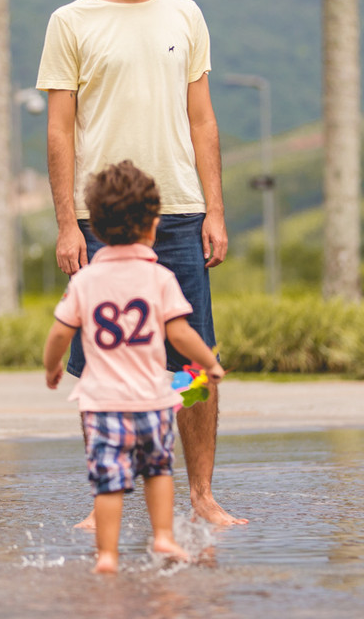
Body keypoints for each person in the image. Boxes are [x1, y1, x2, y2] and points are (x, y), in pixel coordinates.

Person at [36, 0, 244, 527]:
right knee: (104, 362)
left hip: (178, 212)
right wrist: (67, 223)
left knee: (193, 363)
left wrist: (215, 210)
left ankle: (201, 496)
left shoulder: (186, 15)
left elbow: (202, 120)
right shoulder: (71, 22)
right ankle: (109, 500)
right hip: (101, 220)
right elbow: (59, 131)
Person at [43, 161, 225, 574]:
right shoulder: (159, 278)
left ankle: (107, 555)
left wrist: (51, 367)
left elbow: (59, 333)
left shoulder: (85, 281)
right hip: (150, 403)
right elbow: (180, 334)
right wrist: (209, 364)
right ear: (153, 225)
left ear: (96, 227)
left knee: (108, 481)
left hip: (102, 406)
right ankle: (163, 536)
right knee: (157, 471)